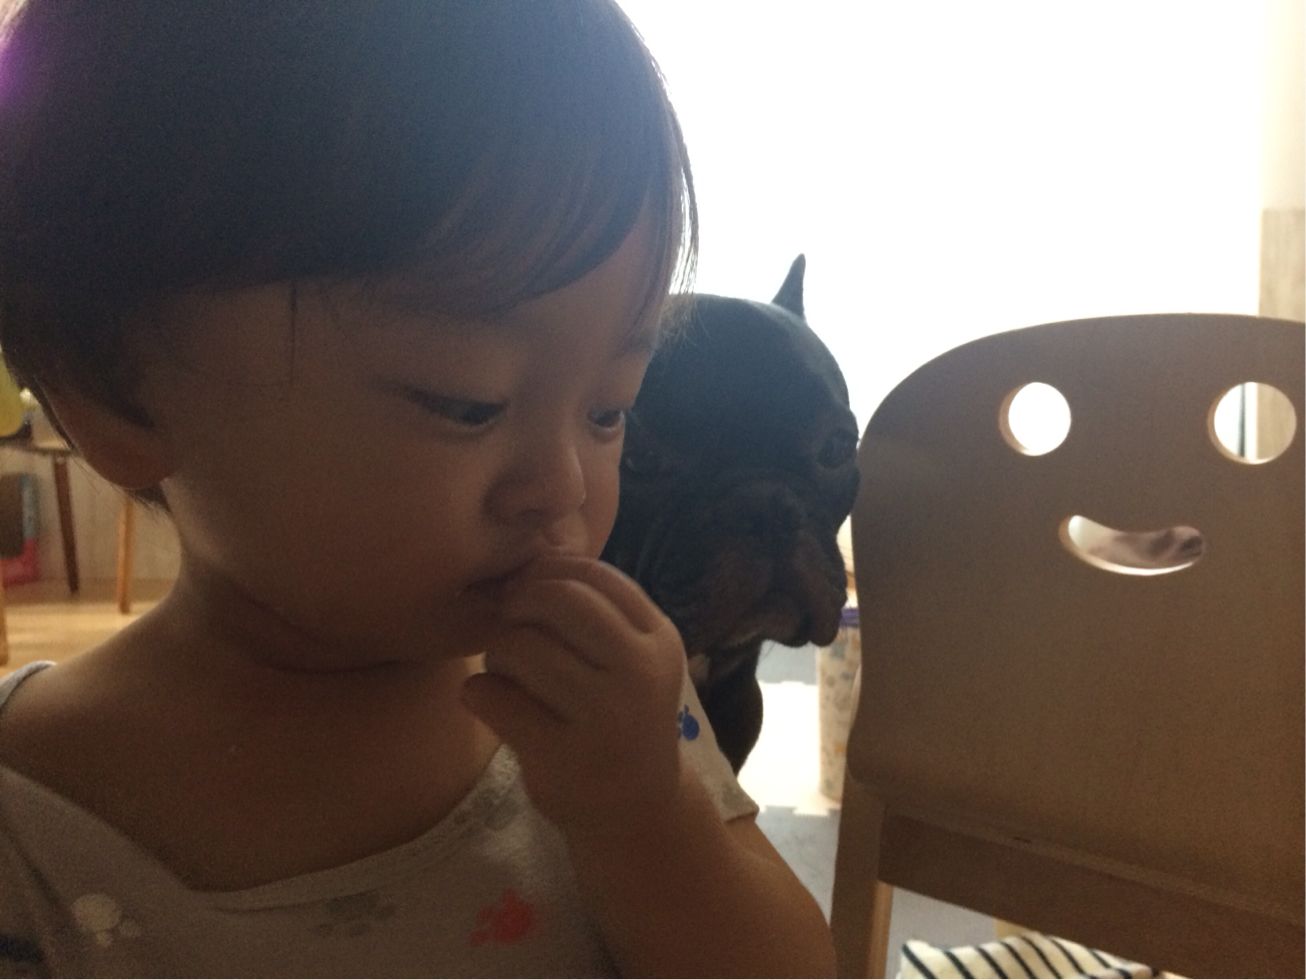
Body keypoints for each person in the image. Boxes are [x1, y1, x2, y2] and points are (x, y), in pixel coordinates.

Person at [0, 2, 836, 976]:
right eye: (468, 402)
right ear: (118, 397)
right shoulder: (32, 825)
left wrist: (649, 817)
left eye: (610, 409)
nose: (561, 485)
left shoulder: (609, 712)